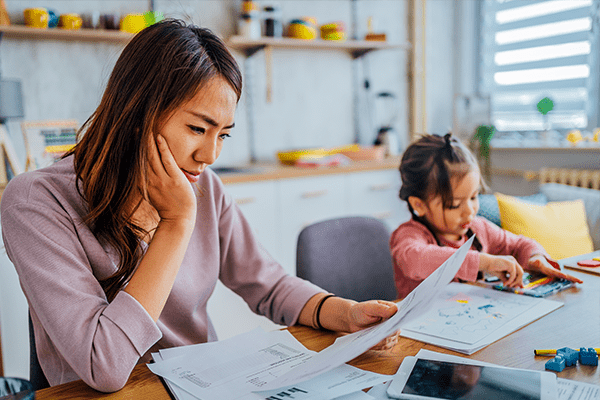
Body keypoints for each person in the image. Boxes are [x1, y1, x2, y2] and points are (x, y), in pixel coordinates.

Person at [0, 19, 399, 392]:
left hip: (204, 388)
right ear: (138, 113)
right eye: (196, 128)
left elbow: (271, 285)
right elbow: (103, 364)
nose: (209, 154)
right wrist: (176, 223)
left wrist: (346, 314)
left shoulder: (206, 186)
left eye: (223, 134)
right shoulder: (37, 202)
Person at [390, 133, 582, 299]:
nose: (469, 211)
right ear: (419, 204)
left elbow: (521, 244)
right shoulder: (409, 235)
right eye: (454, 204)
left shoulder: (479, 228)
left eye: (474, 197)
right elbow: (416, 259)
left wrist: (535, 258)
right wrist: (486, 262)